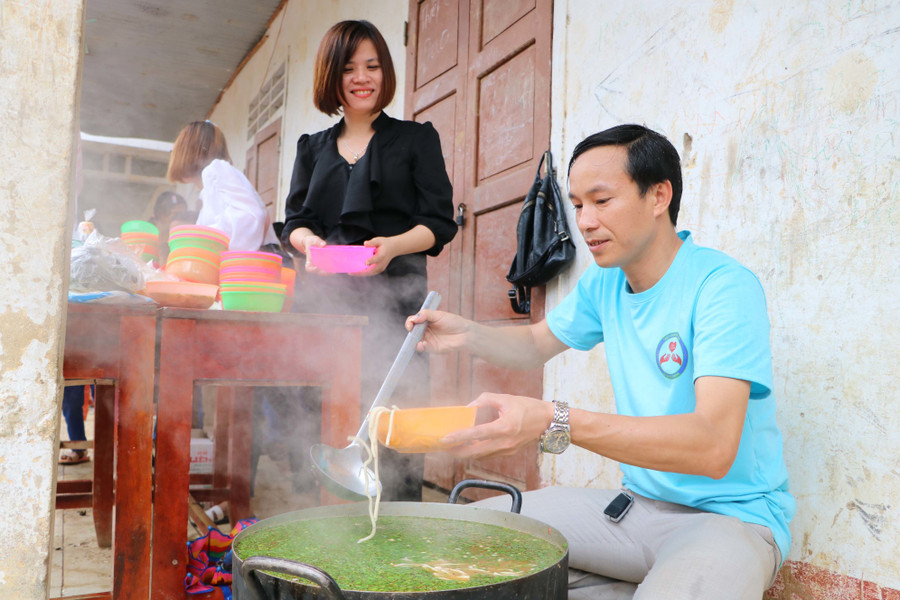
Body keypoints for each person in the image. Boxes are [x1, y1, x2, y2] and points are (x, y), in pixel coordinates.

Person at [406, 124, 794, 599]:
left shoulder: (722, 287)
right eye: (577, 204)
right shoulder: (605, 283)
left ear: (658, 196)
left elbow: (712, 447)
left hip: (729, 521)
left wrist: (555, 420)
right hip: (631, 512)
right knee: (455, 539)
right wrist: (468, 334)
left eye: (601, 200)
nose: (585, 221)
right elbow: (535, 345)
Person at [280, 20, 457, 501]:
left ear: (386, 72)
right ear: (331, 76)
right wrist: (310, 245)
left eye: (373, 66)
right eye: (350, 67)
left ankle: (396, 536)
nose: (362, 77)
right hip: (323, 303)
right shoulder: (311, 148)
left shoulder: (416, 140)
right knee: (318, 415)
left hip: (395, 304)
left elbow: (438, 223)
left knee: (393, 422)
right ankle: (317, 527)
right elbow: (294, 220)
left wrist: (393, 246)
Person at [167, 120, 278, 251]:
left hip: (256, 263)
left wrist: (204, 237)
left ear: (191, 153)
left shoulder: (217, 170)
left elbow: (250, 216)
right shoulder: (208, 186)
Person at [149, 190, 187, 262]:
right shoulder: (145, 239)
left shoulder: (181, 241)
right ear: (161, 214)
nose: (181, 219)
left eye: (184, 215)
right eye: (176, 214)